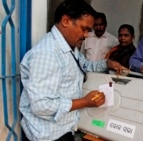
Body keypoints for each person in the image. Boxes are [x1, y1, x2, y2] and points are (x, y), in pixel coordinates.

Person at [19, 0, 126, 140]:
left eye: (89, 31)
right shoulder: (47, 53)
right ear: (66, 21)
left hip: (64, 129)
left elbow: (85, 66)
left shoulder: (70, 49)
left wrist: (107, 63)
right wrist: (85, 102)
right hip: (48, 135)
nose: (87, 35)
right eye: (84, 29)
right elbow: (41, 105)